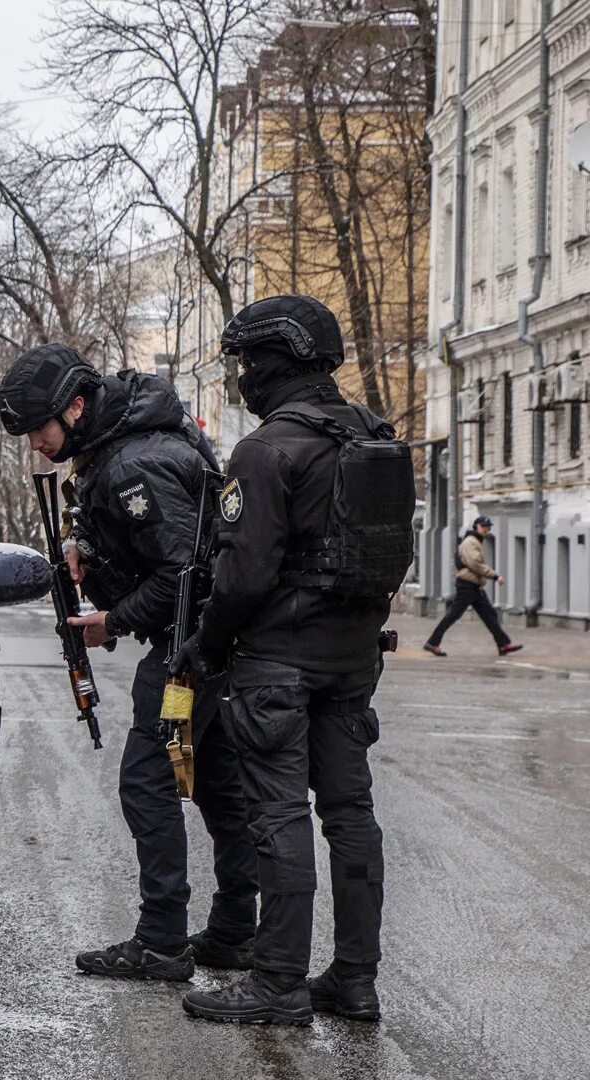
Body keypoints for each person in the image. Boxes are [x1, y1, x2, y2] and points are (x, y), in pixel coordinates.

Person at [175, 295, 415, 1026]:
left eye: (247, 361)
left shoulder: (266, 450)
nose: (242, 375)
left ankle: (277, 984)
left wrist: (205, 645)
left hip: (276, 665)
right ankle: (355, 980)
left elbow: (242, 576)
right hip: (351, 661)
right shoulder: (373, 436)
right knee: (351, 814)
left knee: (277, 816)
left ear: (275, 362)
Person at [0, 344, 258, 983]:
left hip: (185, 654)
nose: (36, 444)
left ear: (77, 408)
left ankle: (163, 941)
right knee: (213, 778)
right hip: (206, 646)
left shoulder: (132, 465)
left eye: (40, 429)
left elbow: (183, 573)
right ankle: (232, 932)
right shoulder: (125, 443)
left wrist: (111, 622)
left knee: (151, 779)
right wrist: (85, 541)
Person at [424, 517, 521, 656]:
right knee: (453, 615)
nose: (486, 529)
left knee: (489, 615)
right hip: (467, 585)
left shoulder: (476, 541)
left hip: (474, 586)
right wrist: (494, 576)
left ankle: (504, 644)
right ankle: (433, 643)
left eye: (488, 526)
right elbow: (475, 564)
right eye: (483, 526)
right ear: (476, 527)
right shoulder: (470, 542)